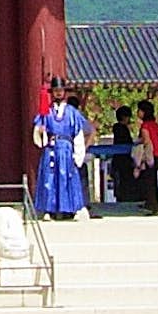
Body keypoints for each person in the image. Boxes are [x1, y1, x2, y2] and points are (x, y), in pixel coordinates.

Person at [33, 78, 91, 220]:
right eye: (55, 90)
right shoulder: (46, 112)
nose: (58, 93)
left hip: (66, 149)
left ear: (64, 92)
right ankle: (49, 209)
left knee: (68, 177)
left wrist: (79, 152)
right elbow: (38, 129)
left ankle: (70, 209)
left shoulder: (72, 113)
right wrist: (40, 135)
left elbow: (82, 132)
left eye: (61, 90)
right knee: (49, 178)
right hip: (51, 148)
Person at [133, 99, 158, 215]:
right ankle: (154, 205)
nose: (138, 113)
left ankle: (153, 206)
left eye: (139, 110)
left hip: (150, 155)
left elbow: (146, 141)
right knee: (154, 181)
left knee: (149, 182)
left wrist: (141, 156)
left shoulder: (145, 125)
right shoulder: (155, 125)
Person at [111, 105, 137, 204]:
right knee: (125, 180)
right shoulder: (122, 129)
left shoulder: (117, 128)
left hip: (118, 159)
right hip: (124, 160)